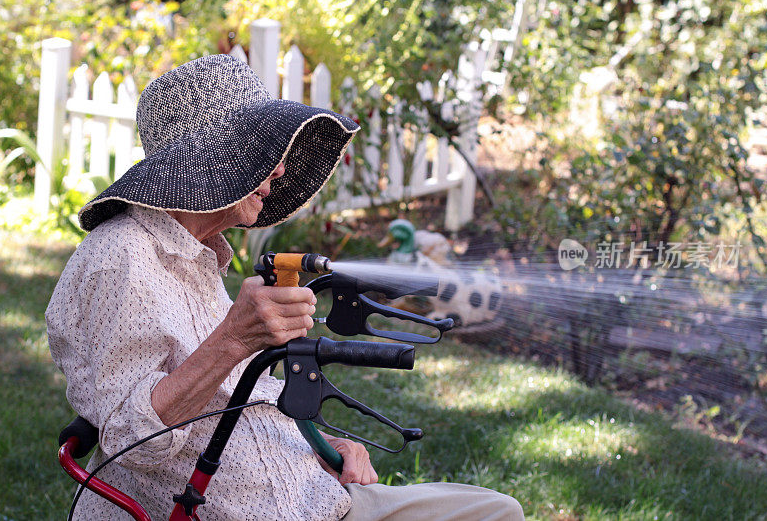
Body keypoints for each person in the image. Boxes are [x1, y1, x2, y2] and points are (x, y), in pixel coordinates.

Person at [46, 54, 524, 521]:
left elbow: (236, 394)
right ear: (208, 158)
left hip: (318, 496)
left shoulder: (197, 255)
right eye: (261, 149)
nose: (278, 169)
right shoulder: (119, 260)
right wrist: (234, 338)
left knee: (499, 512)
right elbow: (131, 441)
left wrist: (323, 446)